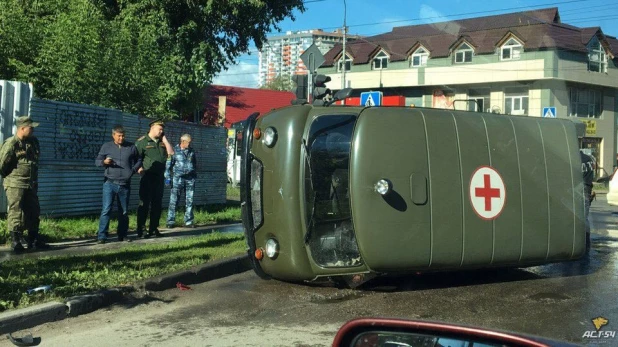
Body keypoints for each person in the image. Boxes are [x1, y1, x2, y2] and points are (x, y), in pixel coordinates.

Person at [0, 116, 48, 252]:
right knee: (16, 212)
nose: (33, 130)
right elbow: (2, 165)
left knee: (34, 210)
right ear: (22, 128)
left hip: (31, 183)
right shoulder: (11, 144)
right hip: (15, 183)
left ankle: (33, 240)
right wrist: (12, 177)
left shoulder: (33, 142)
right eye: (31, 128)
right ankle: (16, 241)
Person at [95, 125, 142, 244]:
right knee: (106, 209)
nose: (121, 138)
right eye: (119, 136)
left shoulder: (131, 147)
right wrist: (104, 162)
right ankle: (102, 236)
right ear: (113, 135)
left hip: (125, 184)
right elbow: (97, 161)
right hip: (109, 183)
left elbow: (139, 160)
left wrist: (133, 170)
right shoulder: (107, 146)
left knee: (124, 211)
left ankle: (122, 234)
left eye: (123, 136)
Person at [135, 119, 174, 238]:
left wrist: (165, 140)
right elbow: (135, 159)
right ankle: (141, 229)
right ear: (152, 128)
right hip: (147, 177)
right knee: (144, 204)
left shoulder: (162, 142)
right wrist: (139, 169)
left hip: (159, 178)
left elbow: (171, 153)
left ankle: (153, 228)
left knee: (157, 204)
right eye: (159, 129)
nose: (161, 131)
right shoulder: (142, 142)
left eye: (162, 129)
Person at [165, 134, 197, 228]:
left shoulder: (191, 151)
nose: (190, 144)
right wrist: (167, 178)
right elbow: (168, 166)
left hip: (190, 179)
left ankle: (188, 221)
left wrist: (194, 175)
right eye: (188, 142)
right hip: (178, 179)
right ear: (182, 141)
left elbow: (194, 163)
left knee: (189, 200)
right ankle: (170, 221)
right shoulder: (174, 151)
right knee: (174, 200)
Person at [581, 149, 595, 253]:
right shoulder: (589, 159)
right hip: (588, 188)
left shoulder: (576, 159)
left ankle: (581, 244)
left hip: (579, 188)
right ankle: (587, 242)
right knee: (584, 217)